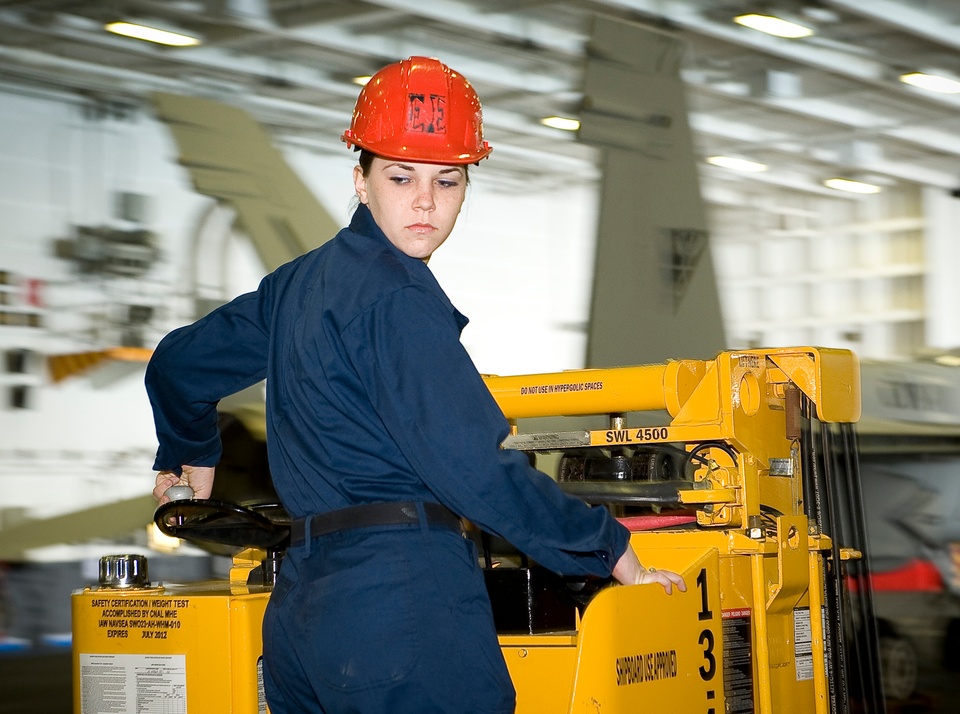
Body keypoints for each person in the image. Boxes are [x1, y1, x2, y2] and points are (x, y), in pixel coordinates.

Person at [146, 56, 685, 714]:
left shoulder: (297, 287)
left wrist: (189, 450)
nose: (426, 201)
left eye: (447, 180)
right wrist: (608, 547)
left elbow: (176, 365)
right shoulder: (398, 297)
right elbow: (478, 468)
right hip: (402, 602)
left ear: (466, 185)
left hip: (302, 617)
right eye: (401, 176)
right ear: (361, 180)